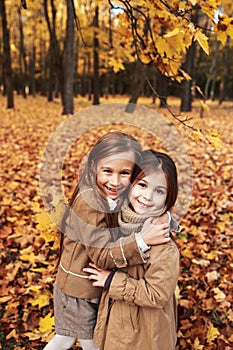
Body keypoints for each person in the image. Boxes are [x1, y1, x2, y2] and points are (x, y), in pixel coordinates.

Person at [44, 133, 171, 350]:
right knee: (81, 341)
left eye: (124, 173)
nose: (115, 181)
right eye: (108, 171)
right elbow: (101, 255)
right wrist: (141, 240)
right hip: (79, 291)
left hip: (94, 285)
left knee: (76, 338)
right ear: (94, 166)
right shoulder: (90, 202)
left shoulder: (114, 193)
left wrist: (163, 216)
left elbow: (139, 207)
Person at [84, 150, 181, 350]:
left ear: (169, 197)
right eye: (142, 185)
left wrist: (111, 280)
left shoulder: (164, 247)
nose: (147, 196)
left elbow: (156, 294)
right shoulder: (116, 221)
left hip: (143, 336)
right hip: (115, 327)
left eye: (159, 191)